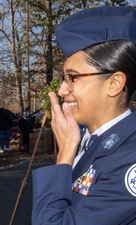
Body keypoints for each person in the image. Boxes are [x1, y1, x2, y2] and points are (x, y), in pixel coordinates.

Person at [32, 6, 136, 225]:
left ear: (114, 83)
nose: (61, 90)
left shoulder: (130, 157)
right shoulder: (90, 140)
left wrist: (65, 155)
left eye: (73, 77)